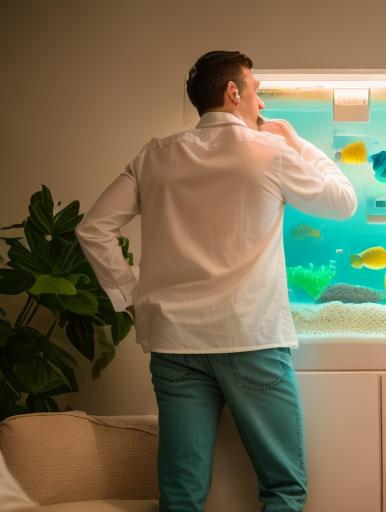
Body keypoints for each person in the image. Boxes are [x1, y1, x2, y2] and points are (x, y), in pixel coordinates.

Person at [76, 50, 358, 511]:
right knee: (283, 488)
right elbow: (343, 201)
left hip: (175, 344)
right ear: (234, 92)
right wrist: (297, 141)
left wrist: (133, 296)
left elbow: (93, 228)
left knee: (181, 494)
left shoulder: (154, 156)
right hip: (251, 339)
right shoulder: (271, 151)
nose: (262, 104)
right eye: (258, 91)